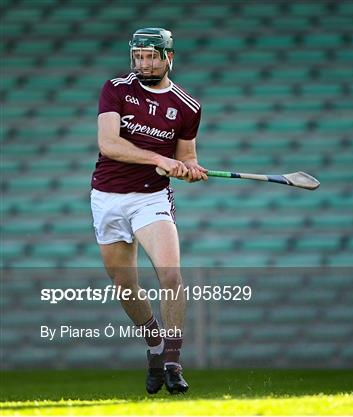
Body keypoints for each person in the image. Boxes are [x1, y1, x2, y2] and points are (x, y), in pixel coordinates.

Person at [90, 27, 207, 395]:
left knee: (170, 276)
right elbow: (109, 144)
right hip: (107, 196)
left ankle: (172, 361)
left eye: (151, 56)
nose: (143, 62)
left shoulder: (187, 107)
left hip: (151, 198)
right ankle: (154, 344)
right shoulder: (117, 89)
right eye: (138, 56)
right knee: (125, 286)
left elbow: (187, 158)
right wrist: (159, 158)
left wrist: (188, 170)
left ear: (168, 57)